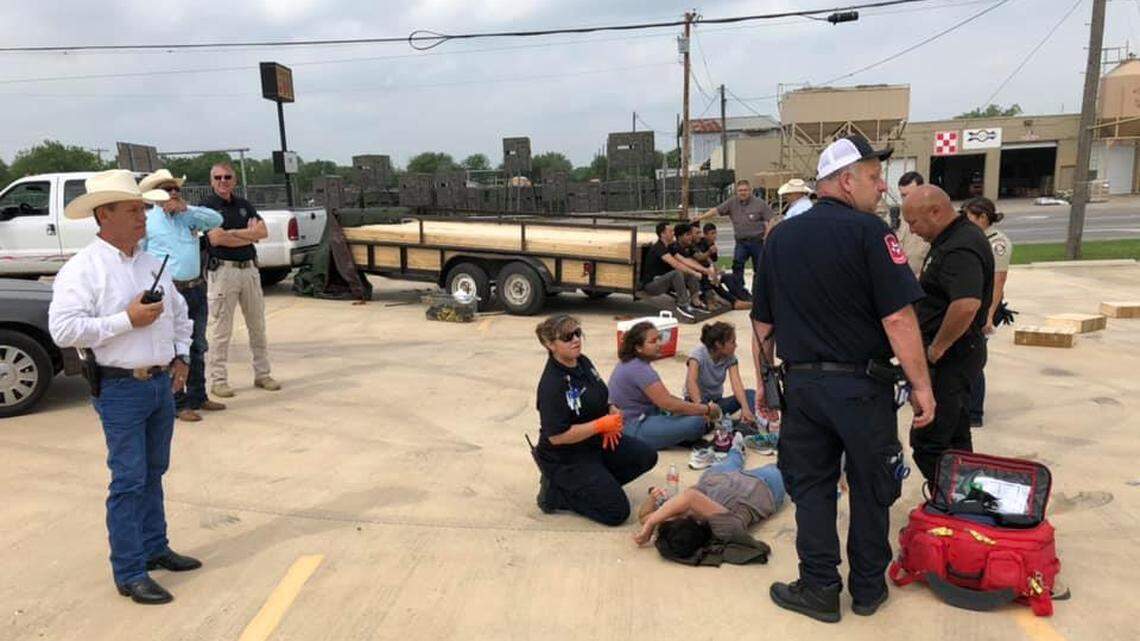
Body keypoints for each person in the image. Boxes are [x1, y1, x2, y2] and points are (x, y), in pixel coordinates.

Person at [751, 135, 935, 623]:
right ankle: (869, 589)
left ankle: (818, 588)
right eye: (875, 179)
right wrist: (921, 387)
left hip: (804, 389)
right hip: (861, 388)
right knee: (871, 486)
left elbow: (762, 325)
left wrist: (765, 385)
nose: (882, 189)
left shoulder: (780, 238)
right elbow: (898, 319)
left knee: (812, 489)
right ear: (845, 180)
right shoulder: (872, 235)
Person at [48, 170, 201, 605]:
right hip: (119, 389)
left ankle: (155, 547)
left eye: (144, 208)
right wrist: (126, 321)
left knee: (154, 472)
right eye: (134, 209)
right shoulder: (84, 269)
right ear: (104, 215)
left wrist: (181, 355)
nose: (143, 216)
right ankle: (130, 570)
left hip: (158, 384)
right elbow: (63, 330)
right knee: (130, 480)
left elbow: (179, 314)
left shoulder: (150, 262)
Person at [902, 185, 994, 481]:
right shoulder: (953, 238)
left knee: (928, 441)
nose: (912, 231)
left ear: (936, 211)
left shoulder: (960, 246)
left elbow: (966, 305)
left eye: (914, 222)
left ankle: (951, 501)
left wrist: (935, 349)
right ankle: (963, 499)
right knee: (955, 435)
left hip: (951, 356)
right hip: (958, 353)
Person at [531, 314, 658, 526]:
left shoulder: (583, 362)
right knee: (616, 512)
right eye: (567, 337)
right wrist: (599, 425)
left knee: (646, 455)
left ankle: (596, 485)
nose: (575, 340)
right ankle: (559, 493)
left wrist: (611, 410)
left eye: (577, 333)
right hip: (567, 456)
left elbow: (599, 395)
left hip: (595, 442)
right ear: (550, 344)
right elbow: (557, 437)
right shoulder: (552, 385)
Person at [139, 169, 225, 423]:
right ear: (156, 195)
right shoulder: (149, 222)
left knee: (197, 344)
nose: (174, 194)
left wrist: (188, 210)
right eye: (167, 190)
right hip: (170, 290)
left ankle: (199, 395)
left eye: (176, 189)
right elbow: (141, 255)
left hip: (195, 287)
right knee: (174, 347)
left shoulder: (188, 217)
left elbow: (216, 219)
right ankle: (177, 402)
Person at [200, 162, 280, 397]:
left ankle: (263, 374)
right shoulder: (207, 207)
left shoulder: (244, 205)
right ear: (211, 180)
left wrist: (231, 234)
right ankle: (218, 380)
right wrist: (248, 235)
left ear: (234, 180)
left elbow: (262, 232)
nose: (223, 181)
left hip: (250, 271)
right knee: (220, 330)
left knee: (257, 326)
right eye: (218, 177)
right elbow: (215, 239)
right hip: (224, 272)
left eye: (227, 177)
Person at [634, 435, 785, 546]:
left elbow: (644, 517)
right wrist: (652, 523)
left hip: (717, 479)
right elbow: (691, 497)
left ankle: (736, 446)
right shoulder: (726, 529)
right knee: (789, 466)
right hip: (762, 485)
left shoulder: (678, 518)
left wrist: (652, 499)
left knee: (732, 458)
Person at [608, 321, 722, 450]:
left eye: (659, 339)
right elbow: (668, 403)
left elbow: (666, 399)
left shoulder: (633, 363)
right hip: (633, 428)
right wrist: (706, 409)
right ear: (638, 347)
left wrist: (697, 409)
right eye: (653, 341)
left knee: (693, 414)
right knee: (697, 422)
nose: (659, 344)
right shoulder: (639, 369)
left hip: (642, 419)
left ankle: (677, 435)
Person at [962, 197, 1012, 428]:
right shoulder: (977, 239)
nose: (966, 221)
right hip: (974, 307)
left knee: (974, 360)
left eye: (970, 217)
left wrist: (989, 316)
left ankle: (974, 413)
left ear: (983, 217)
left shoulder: (997, 243)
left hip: (986, 309)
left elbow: (998, 283)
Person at [694, 179, 775, 293]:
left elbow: (771, 218)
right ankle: (739, 290)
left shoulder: (760, 203)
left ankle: (758, 292)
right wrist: (701, 217)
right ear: (736, 191)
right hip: (741, 242)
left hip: (757, 241)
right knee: (737, 264)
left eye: (745, 190)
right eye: (740, 190)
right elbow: (716, 210)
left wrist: (768, 234)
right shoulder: (732, 202)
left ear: (750, 190)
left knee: (760, 268)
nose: (743, 192)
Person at [684, 322, 756, 424]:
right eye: (732, 342)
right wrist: (703, 408)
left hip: (716, 403)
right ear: (718, 344)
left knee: (750, 394)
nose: (736, 345)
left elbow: (736, 384)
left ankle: (746, 422)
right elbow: (691, 382)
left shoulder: (730, 358)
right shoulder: (698, 355)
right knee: (696, 422)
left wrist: (745, 407)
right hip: (696, 403)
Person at [640, 221, 707, 319]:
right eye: (670, 231)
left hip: (663, 280)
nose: (673, 233)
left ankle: (695, 301)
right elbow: (675, 264)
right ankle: (683, 304)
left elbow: (683, 261)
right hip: (652, 285)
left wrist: (701, 271)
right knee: (676, 273)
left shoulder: (670, 247)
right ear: (662, 234)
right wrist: (695, 273)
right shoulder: (659, 247)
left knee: (689, 274)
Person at [891, 171, 930, 276]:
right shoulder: (894, 216)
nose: (905, 199)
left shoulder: (933, 218)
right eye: (903, 195)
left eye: (909, 194)